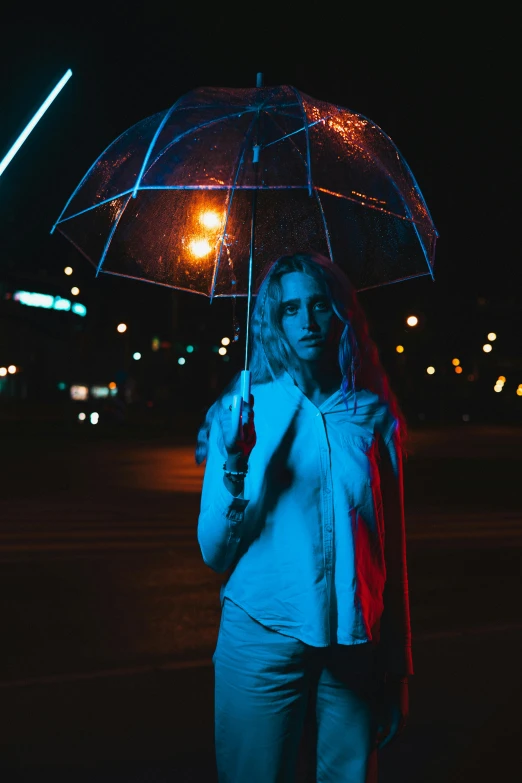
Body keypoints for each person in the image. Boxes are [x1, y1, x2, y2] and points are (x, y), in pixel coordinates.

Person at [195, 251, 412, 783]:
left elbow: (392, 550)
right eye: (290, 308)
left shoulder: (372, 414)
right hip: (262, 630)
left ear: (341, 312)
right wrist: (236, 465)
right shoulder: (245, 410)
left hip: (355, 640)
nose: (307, 321)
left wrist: (398, 664)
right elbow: (213, 551)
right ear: (274, 320)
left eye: (319, 305)